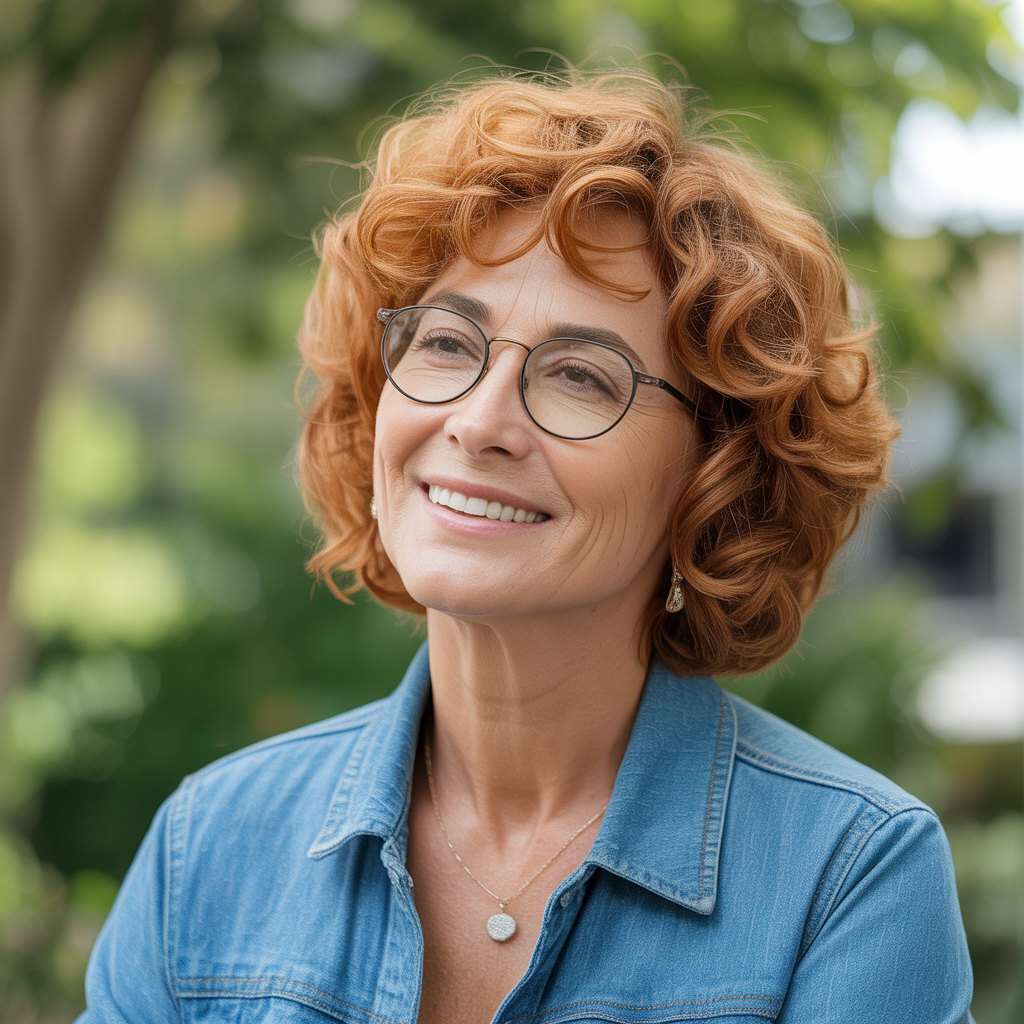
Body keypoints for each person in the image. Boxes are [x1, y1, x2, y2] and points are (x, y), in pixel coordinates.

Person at [78, 70, 974, 1023]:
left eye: (582, 375)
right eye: (445, 344)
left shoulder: (850, 879)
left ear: (717, 473)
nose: (478, 422)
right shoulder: (206, 852)